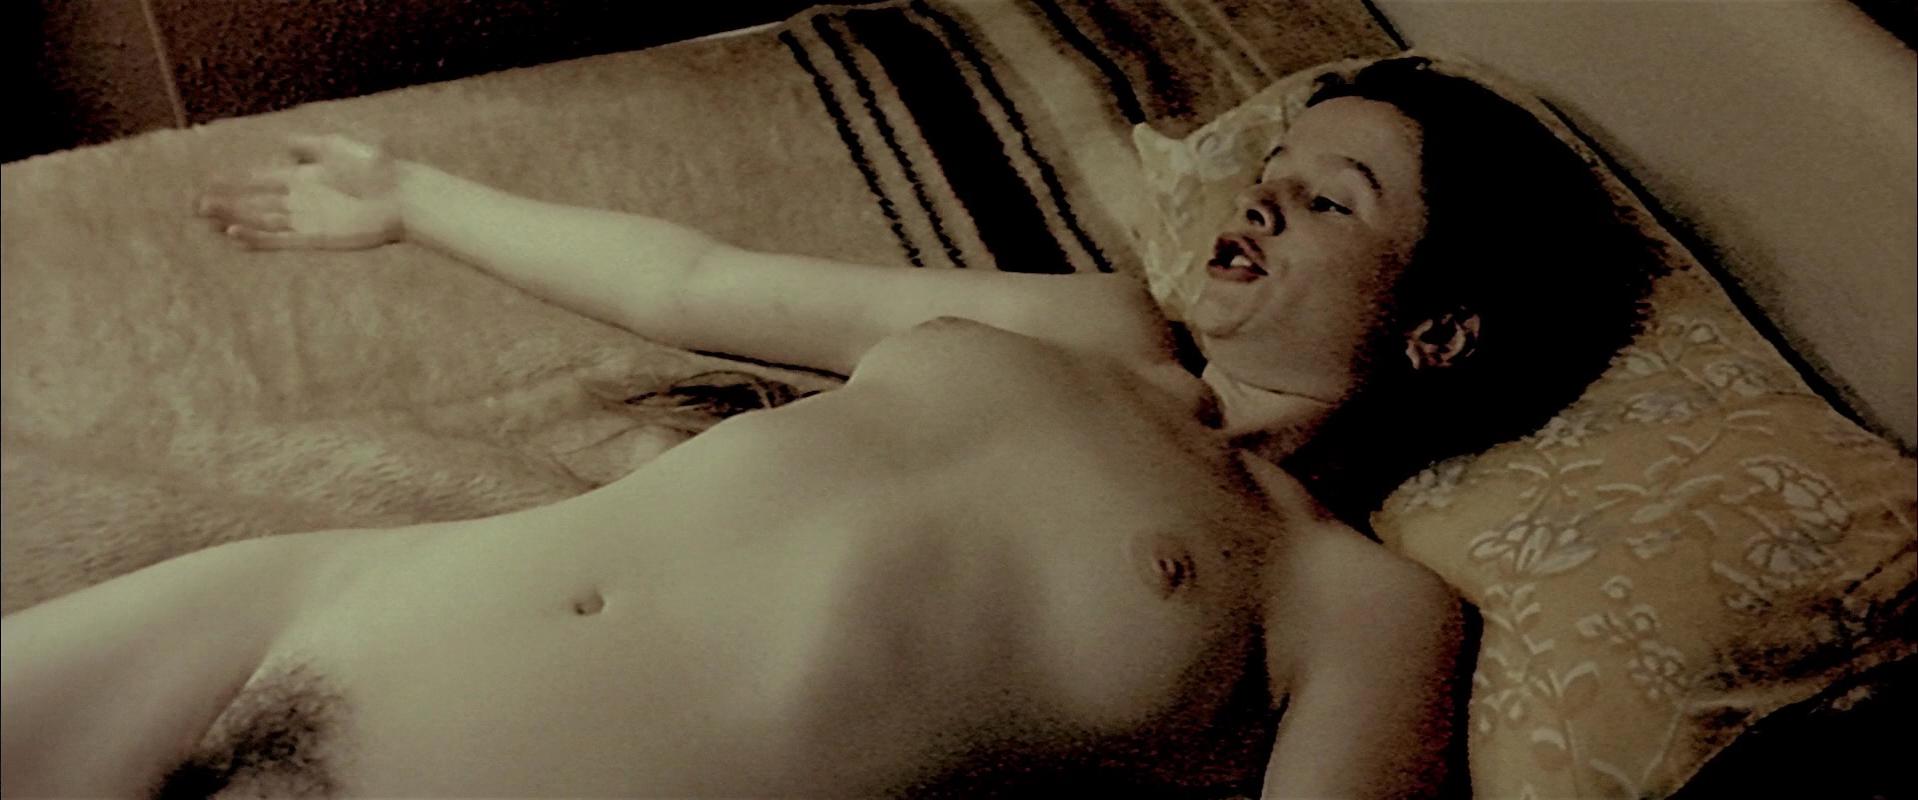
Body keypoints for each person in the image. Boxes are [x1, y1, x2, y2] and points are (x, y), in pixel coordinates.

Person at [0, 58, 1650, 799]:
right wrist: (417, 201)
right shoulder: (1087, 322)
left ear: (1440, 330)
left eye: (1327, 202)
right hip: (304, 614)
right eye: (1269, 171)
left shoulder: (1357, 606)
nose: (1255, 202)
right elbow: (697, 281)